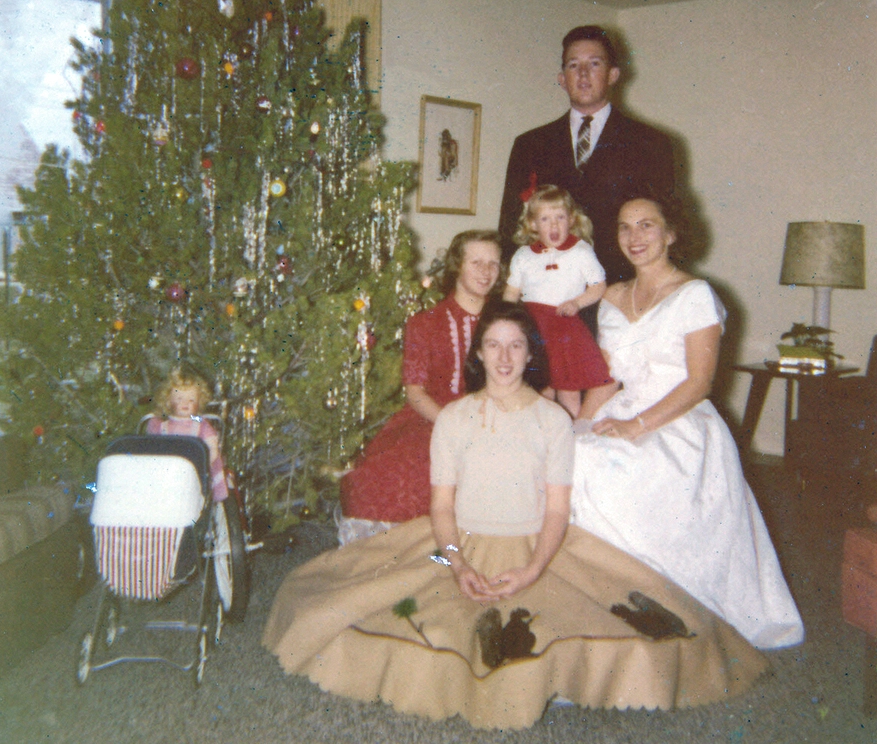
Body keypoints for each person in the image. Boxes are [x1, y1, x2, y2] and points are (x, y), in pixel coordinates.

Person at [263, 301, 768, 730]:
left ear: (530, 356)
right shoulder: (454, 418)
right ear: (478, 354)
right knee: (397, 593)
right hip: (450, 547)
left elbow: (556, 510)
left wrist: (531, 570)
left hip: (542, 548)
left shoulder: (553, 421)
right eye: (493, 346)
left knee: (601, 626)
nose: (504, 358)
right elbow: (441, 507)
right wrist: (459, 565)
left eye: (516, 346)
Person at [569, 193, 805, 650]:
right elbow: (604, 379)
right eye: (624, 226)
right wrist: (579, 424)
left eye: (646, 225)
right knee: (573, 457)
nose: (634, 237)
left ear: (672, 233)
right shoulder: (613, 296)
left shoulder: (695, 295)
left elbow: (699, 382)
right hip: (621, 411)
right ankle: (591, 602)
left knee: (611, 473)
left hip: (677, 421)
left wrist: (637, 427)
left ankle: (650, 604)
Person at [338, 230, 501, 543]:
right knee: (387, 479)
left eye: (493, 264)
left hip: (494, 416)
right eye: (476, 262)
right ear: (457, 265)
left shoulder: (507, 320)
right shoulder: (425, 323)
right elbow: (415, 392)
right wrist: (454, 425)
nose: (486, 271)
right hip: (435, 417)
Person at [498, 25, 674, 282]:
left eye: (594, 64)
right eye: (573, 65)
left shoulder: (650, 143)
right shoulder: (530, 144)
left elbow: (666, 229)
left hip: (621, 290)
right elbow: (509, 229)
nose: (582, 74)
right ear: (561, 78)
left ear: (613, 75)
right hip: (546, 293)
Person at [503, 184, 611, 418]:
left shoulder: (581, 252)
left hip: (564, 328)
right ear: (532, 224)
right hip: (533, 328)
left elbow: (598, 286)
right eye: (545, 219)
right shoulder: (523, 256)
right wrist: (505, 322)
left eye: (560, 217)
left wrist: (577, 303)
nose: (553, 225)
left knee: (568, 390)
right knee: (540, 390)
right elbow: (511, 294)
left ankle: (573, 437)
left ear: (571, 220)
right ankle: (541, 439)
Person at [147, 365, 227, 502]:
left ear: (199, 402)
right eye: (179, 399)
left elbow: (212, 446)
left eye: (191, 400)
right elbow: (150, 446)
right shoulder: (163, 424)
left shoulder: (200, 423)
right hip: (166, 475)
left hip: (194, 475)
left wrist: (205, 463)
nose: (185, 403)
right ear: (169, 400)